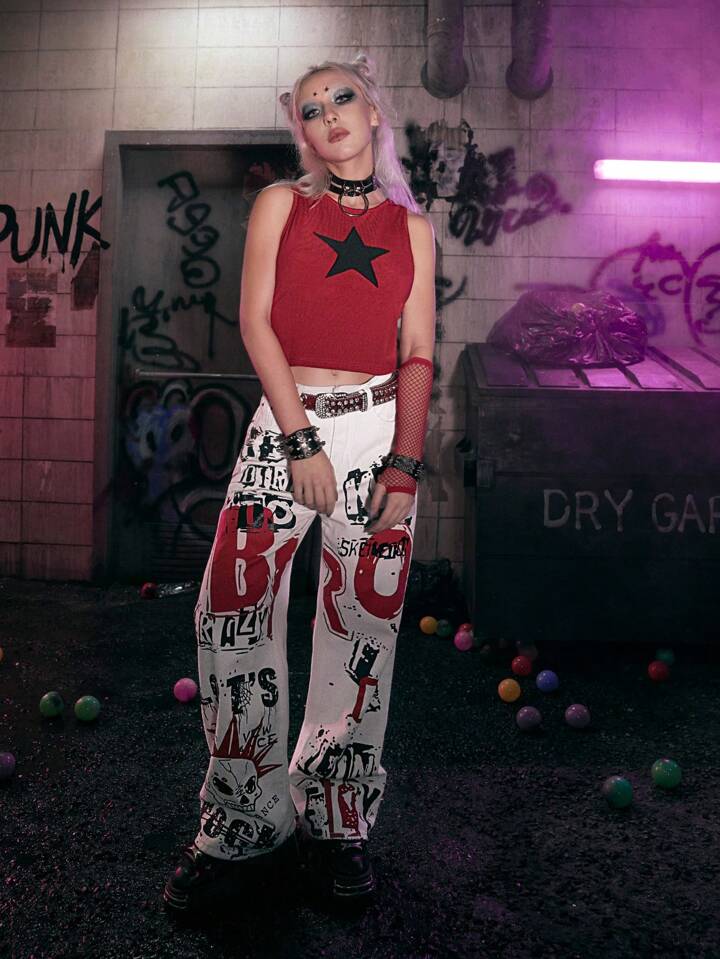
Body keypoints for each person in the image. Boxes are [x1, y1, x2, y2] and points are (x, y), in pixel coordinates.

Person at [163, 52, 435, 915]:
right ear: (304, 133)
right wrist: (300, 439)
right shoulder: (282, 203)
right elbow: (255, 321)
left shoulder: (412, 229)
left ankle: (336, 814)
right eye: (311, 110)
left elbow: (418, 351)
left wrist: (405, 461)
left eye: (342, 98)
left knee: (363, 626)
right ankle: (244, 819)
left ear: (374, 111)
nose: (328, 116)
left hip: (381, 429)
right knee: (230, 606)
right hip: (288, 425)